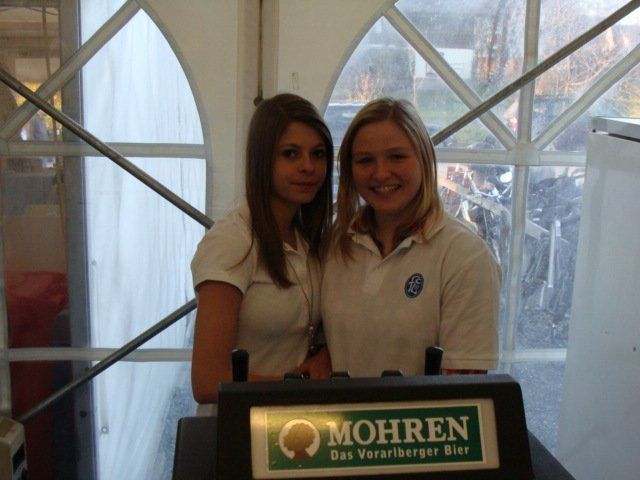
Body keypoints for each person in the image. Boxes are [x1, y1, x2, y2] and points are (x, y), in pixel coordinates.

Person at [322, 97, 501, 377]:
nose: (381, 173)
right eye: (365, 160)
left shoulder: (465, 255)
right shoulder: (337, 242)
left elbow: (464, 389)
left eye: (397, 157)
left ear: (424, 158)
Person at [191, 93, 333, 405]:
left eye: (318, 154)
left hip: (295, 421)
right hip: (245, 423)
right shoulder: (233, 241)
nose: (308, 167)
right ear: (262, 159)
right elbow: (207, 380)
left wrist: (324, 356)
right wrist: (300, 386)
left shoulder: (307, 239)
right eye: (291, 154)